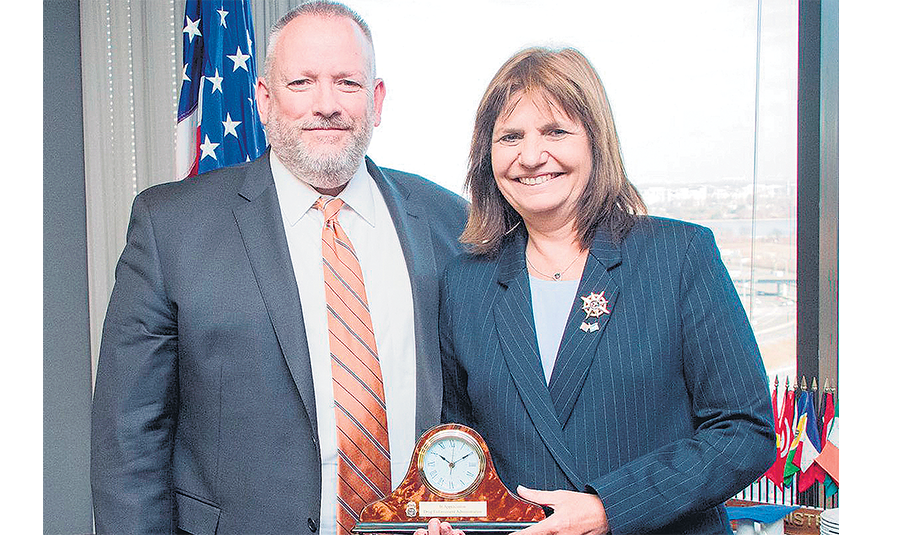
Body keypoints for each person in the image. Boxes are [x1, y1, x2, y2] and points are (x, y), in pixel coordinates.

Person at [90, 2, 467, 534]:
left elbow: (480, 402)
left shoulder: (449, 222)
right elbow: (129, 439)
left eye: (347, 83)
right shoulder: (171, 228)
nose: (326, 104)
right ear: (264, 100)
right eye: (302, 82)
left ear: (377, 100)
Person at [431, 47, 775, 535]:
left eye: (555, 131)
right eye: (510, 136)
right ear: (488, 157)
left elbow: (746, 431)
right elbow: (459, 447)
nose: (531, 156)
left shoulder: (678, 256)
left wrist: (609, 508)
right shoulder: (466, 282)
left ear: (596, 141)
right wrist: (451, 515)